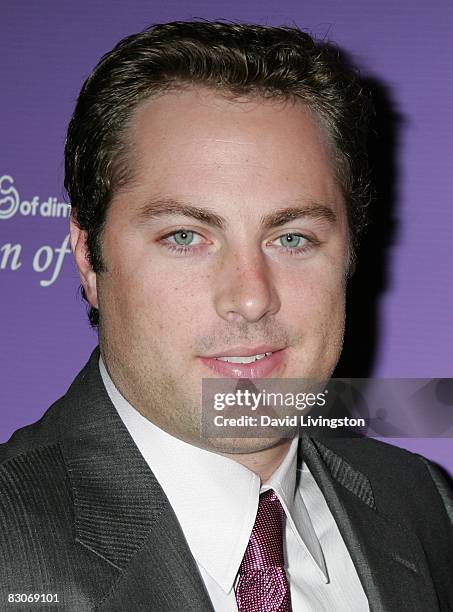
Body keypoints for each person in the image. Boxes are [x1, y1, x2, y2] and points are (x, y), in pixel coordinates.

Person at [0, 20, 452, 612]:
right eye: (186, 236)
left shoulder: (426, 505)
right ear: (89, 259)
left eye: (292, 238)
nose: (250, 297)